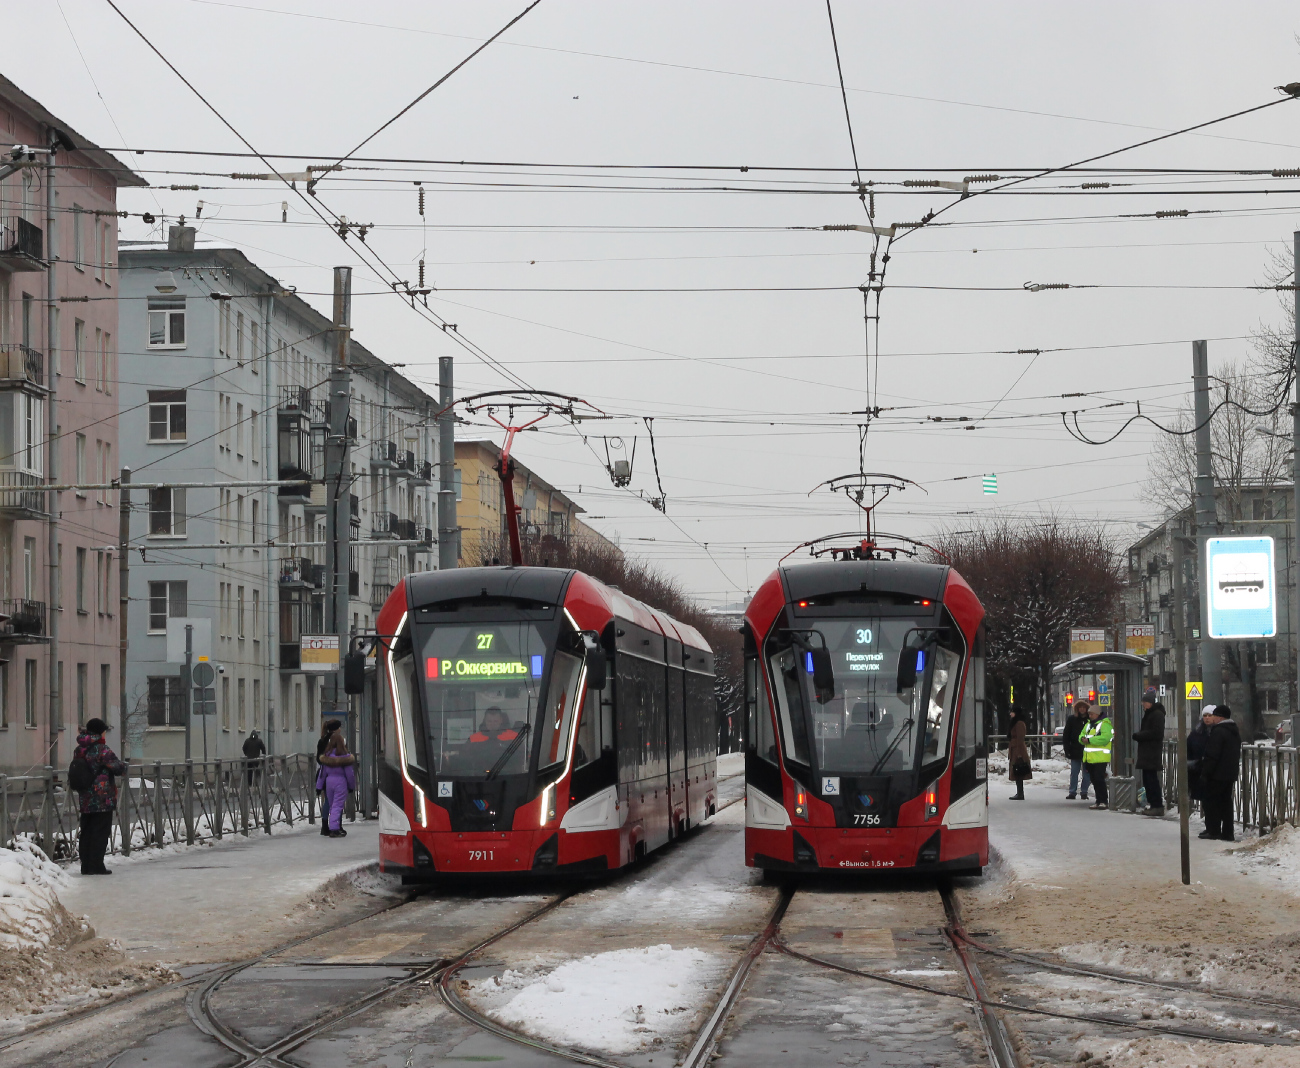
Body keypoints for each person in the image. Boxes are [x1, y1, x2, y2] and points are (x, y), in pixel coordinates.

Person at [73, 718, 127, 876]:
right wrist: (124, 765)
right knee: (100, 832)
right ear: (100, 731)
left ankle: (86, 865)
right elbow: (117, 767)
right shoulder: (101, 749)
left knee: (87, 831)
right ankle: (96, 865)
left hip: (85, 797)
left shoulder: (79, 749)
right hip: (102, 798)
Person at [1197, 704, 1241, 842]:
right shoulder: (1233, 730)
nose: (1213, 718)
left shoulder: (1219, 731)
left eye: (1214, 715)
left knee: (1212, 802)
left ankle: (1214, 830)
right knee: (1226, 803)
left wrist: (1205, 773)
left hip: (1217, 774)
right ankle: (1228, 833)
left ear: (1220, 717)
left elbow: (1213, 755)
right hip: (1229, 773)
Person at [316, 726, 356, 838]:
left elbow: (322, 774)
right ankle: (334, 829)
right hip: (340, 783)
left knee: (333, 805)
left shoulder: (327, 757)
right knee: (338, 806)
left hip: (329, 783)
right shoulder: (344, 757)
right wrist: (351, 786)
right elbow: (350, 774)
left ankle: (333, 826)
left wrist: (319, 787)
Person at [1133, 689, 1166, 817]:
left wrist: (1140, 735)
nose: (1143, 705)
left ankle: (1157, 805)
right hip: (1148, 751)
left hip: (1151, 752)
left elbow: (1156, 733)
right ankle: (1154, 804)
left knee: (1151, 780)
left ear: (1151, 702)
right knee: (1148, 779)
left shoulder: (1156, 714)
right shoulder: (1151, 713)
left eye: (1145, 702)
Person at [1080, 702, 1113, 810]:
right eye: (1089, 714)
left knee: (1099, 779)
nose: (1090, 716)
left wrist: (1089, 740)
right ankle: (1099, 800)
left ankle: (1103, 800)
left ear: (1097, 714)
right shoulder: (1089, 724)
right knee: (1094, 779)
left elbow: (1105, 738)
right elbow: (1081, 735)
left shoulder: (1105, 724)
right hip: (1089, 758)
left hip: (1100, 757)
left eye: (1092, 714)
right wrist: (1082, 739)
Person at [316, 719, 340, 835]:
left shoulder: (322, 740)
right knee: (337, 801)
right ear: (336, 729)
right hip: (337, 774)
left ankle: (324, 825)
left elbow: (318, 758)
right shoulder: (338, 741)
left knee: (328, 801)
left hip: (324, 774)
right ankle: (336, 826)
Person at [1063, 700, 1090, 801]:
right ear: (1077, 709)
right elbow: (1066, 734)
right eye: (1080, 707)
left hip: (1087, 750)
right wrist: (1067, 749)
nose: (1082, 709)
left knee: (1087, 773)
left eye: (1084, 707)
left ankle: (1084, 792)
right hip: (1075, 749)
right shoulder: (1072, 719)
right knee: (1074, 772)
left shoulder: (1090, 719)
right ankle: (1072, 792)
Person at [1187, 707, 1213, 804]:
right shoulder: (1196, 732)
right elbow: (1188, 747)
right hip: (1198, 770)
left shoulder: (1218, 731)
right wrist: (1191, 763)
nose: (1207, 718)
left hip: (1213, 770)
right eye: (1205, 716)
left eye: (1210, 715)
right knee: (1203, 798)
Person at [1006, 707, 1031, 800]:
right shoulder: (1015, 722)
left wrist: (1019, 753)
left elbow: (1020, 738)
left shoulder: (1019, 723)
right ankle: (1019, 792)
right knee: (1016, 771)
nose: (1010, 714)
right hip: (1015, 748)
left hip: (1018, 749)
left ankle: (1020, 793)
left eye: (1012, 712)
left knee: (1018, 770)